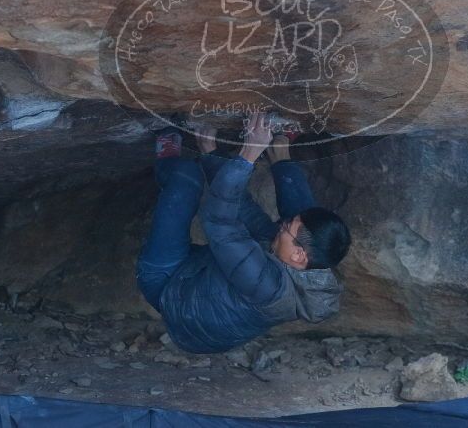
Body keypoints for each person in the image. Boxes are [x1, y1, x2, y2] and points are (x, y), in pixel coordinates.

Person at [136, 112, 351, 354]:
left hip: (170, 290)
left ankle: (167, 154)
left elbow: (219, 221)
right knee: (303, 215)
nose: (280, 226)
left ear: (298, 256)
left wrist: (249, 154)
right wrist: (210, 153)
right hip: (203, 274)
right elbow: (244, 211)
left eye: (285, 228)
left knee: (185, 179)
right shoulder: (305, 260)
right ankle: (280, 148)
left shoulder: (266, 284)